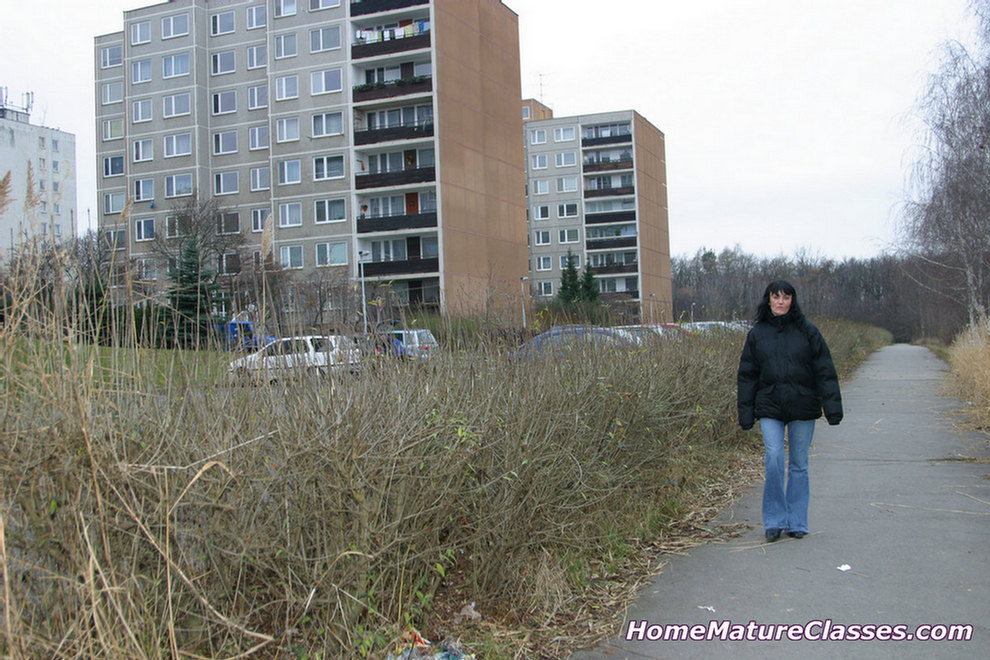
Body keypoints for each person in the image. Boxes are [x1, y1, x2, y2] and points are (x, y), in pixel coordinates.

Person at [737, 280, 843, 542]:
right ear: (768, 300)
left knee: (799, 464)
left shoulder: (808, 331)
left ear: (793, 301)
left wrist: (832, 408)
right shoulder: (757, 334)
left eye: (786, 297)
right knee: (773, 458)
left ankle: (797, 522)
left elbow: (825, 371)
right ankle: (774, 520)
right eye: (776, 297)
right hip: (770, 405)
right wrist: (746, 412)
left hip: (802, 405)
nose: (781, 301)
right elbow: (747, 376)